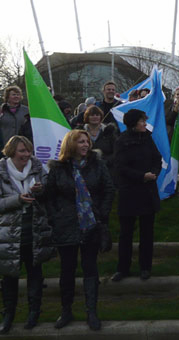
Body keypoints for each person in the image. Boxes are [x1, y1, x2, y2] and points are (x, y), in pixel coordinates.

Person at [46, 129, 114, 330]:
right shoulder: (58, 169)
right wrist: (56, 216)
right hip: (66, 224)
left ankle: (91, 311)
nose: (85, 145)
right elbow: (50, 196)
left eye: (87, 141)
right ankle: (66, 310)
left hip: (91, 224)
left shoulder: (97, 164)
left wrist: (101, 213)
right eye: (80, 141)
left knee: (90, 268)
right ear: (71, 145)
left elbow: (109, 189)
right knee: (67, 270)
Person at [0, 136, 55, 332]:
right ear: (12, 151)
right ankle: (8, 315)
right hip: (9, 232)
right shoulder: (1, 170)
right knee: (9, 276)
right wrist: (17, 199)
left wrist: (40, 190)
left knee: (35, 272)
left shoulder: (37, 167)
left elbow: (49, 192)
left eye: (28, 151)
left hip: (35, 229)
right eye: (22, 151)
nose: (27, 155)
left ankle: (34, 313)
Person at [111, 109, 162, 282]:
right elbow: (120, 167)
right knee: (126, 233)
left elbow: (157, 158)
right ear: (133, 122)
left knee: (147, 233)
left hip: (147, 192)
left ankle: (145, 267)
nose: (144, 124)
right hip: (129, 192)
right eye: (141, 121)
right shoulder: (122, 141)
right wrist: (141, 176)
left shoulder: (147, 138)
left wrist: (154, 172)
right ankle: (122, 268)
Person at [79, 106, 118, 183]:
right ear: (87, 117)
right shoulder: (79, 132)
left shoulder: (109, 132)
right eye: (92, 115)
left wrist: (105, 161)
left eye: (97, 115)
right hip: (85, 171)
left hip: (107, 172)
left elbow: (116, 152)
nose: (95, 117)